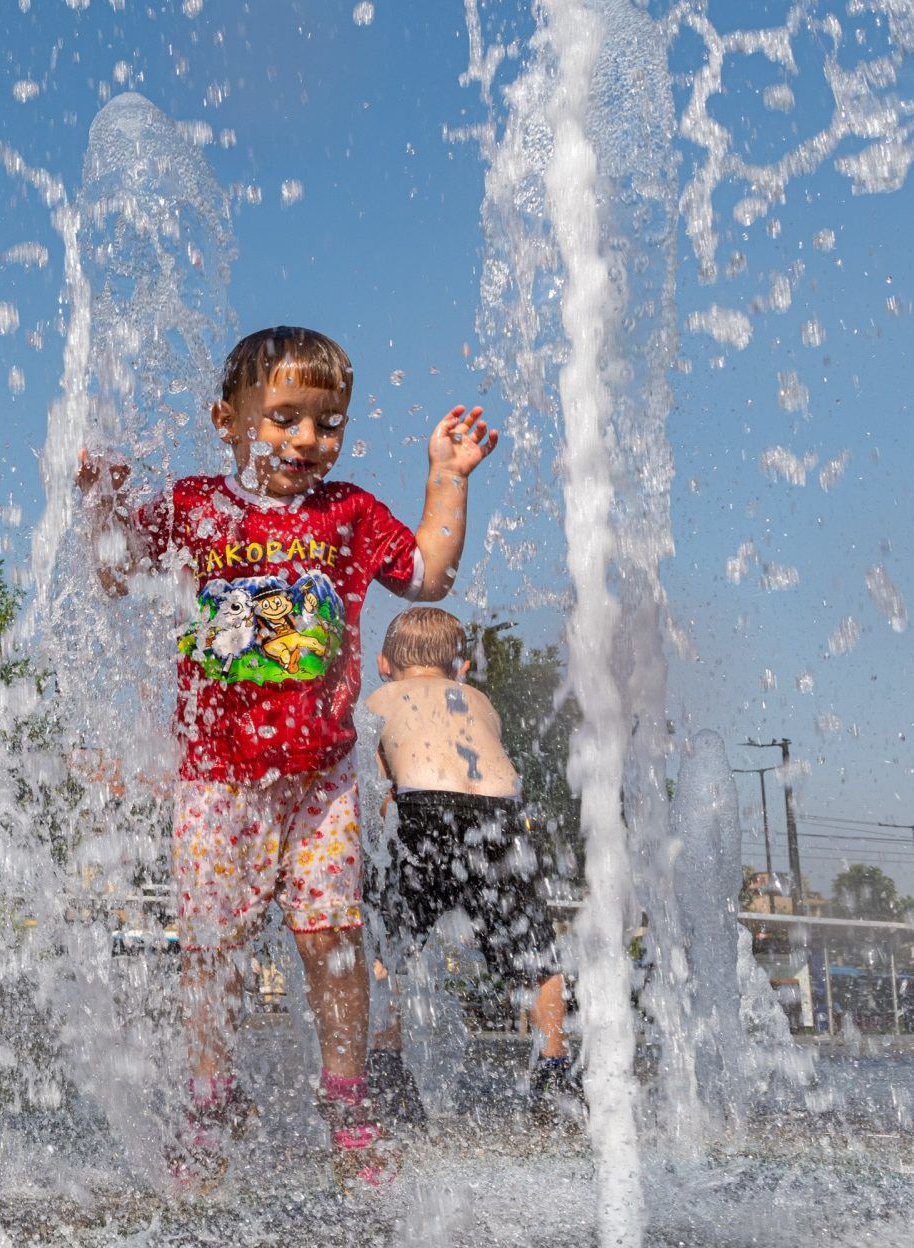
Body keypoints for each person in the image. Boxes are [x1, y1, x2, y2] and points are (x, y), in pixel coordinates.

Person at [80, 325, 500, 1192]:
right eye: (282, 419)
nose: (306, 441)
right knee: (212, 950)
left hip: (318, 784)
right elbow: (116, 571)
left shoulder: (347, 515)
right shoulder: (198, 507)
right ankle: (211, 1100)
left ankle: (347, 1105)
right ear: (228, 420)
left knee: (334, 944)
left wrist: (446, 480)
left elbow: (427, 577)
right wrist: (99, 506)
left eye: (327, 423)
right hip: (217, 780)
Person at [366, 607, 573, 1126]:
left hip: (422, 811)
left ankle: (388, 1067)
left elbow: (375, 789)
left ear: (383, 663)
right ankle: (555, 1068)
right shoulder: (479, 701)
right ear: (460, 669)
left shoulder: (379, 700)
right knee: (535, 953)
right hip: (500, 817)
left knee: (383, 940)